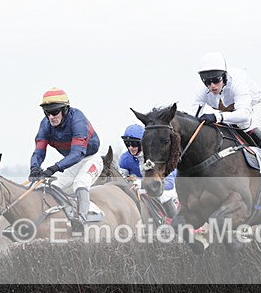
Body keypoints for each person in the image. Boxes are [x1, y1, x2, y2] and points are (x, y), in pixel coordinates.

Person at [190, 52, 261, 177]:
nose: (212, 85)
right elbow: (194, 117)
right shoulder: (201, 90)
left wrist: (216, 116)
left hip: (255, 108)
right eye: (207, 81)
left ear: (224, 76)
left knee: (243, 124)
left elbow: (244, 114)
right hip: (231, 115)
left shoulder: (237, 80)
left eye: (216, 80)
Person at [28, 87, 104, 231]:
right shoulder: (45, 124)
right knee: (48, 187)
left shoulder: (78, 119)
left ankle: (81, 220)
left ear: (65, 109)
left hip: (90, 158)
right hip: (71, 163)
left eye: (55, 111)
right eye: (47, 112)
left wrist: (54, 168)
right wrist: (34, 168)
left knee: (80, 182)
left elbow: (77, 153)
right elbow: (39, 151)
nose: (51, 117)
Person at [119, 124, 180, 219]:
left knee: (163, 195)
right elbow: (123, 178)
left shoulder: (157, 156)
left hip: (165, 187)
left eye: (134, 144)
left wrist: (143, 185)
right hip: (139, 187)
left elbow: (169, 183)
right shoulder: (124, 159)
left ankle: (176, 221)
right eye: (127, 144)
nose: (131, 147)